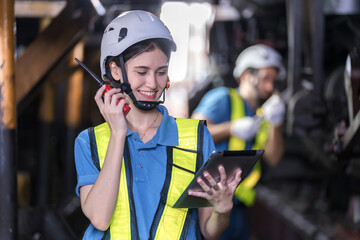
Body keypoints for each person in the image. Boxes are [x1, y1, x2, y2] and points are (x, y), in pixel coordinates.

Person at [74, 10, 242, 240]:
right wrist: (118, 134)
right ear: (115, 70)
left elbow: (208, 231)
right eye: (141, 72)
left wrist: (223, 210)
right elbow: (100, 218)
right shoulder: (89, 142)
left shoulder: (197, 137)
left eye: (161, 72)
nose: (153, 84)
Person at [191, 44, 286, 240]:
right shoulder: (222, 97)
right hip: (211, 205)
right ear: (245, 75)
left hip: (239, 208)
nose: (270, 87)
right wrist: (231, 128)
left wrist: (276, 122)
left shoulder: (264, 115)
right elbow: (193, 132)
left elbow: (274, 158)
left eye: (274, 81)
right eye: (265, 78)